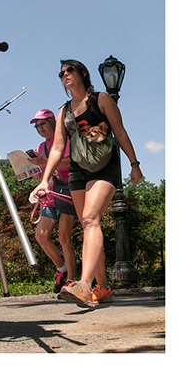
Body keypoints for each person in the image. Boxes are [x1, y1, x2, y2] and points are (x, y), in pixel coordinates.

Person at [30, 59, 144, 308]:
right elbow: (59, 147)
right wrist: (45, 180)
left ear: (82, 73)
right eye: (61, 73)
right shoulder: (64, 111)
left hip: (105, 167)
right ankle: (103, 289)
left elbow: (120, 132)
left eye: (69, 70)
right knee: (88, 225)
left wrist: (134, 164)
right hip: (78, 171)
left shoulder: (101, 100)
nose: (65, 75)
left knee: (91, 219)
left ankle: (84, 284)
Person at [28, 109, 77, 293]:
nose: (40, 128)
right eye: (37, 125)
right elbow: (42, 175)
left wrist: (46, 160)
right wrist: (29, 171)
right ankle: (62, 269)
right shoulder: (41, 147)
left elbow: (71, 162)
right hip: (49, 194)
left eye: (43, 123)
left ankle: (71, 281)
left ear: (53, 123)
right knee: (41, 235)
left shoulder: (65, 140)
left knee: (64, 237)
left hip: (67, 192)